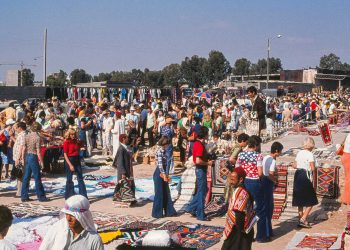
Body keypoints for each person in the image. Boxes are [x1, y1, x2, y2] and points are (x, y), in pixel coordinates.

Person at [39, 195, 104, 250]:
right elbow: (46, 245)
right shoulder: (59, 227)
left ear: (82, 216)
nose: (68, 219)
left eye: (72, 215)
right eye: (67, 214)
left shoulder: (94, 240)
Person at [235, 137, 266, 242]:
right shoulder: (258, 156)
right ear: (256, 145)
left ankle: (246, 234)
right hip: (254, 182)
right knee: (260, 209)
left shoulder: (241, 154)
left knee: (247, 209)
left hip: (244, 182)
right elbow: (260, 173)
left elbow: (237, 169)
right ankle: (260, 236)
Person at [222, 168, 254, 250]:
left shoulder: (241, 193)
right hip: (237, 225)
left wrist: (240, 231)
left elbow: (238, 212)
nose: (230, 181)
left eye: (233, 179)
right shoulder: (239, 190)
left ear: (240, 179)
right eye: (230, 179)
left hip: (237, 227)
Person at [185, 126, 211, 221]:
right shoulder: (199, 145)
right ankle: (200, 214)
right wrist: (208, 163)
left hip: (200, 170)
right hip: (200, 169)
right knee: (201, 193)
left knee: (203, 190)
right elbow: (198, 161)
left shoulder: (197, 143)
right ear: (204, 135)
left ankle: (191, 208)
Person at [292, 137, 318, 228]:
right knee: (311, 200)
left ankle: (301, 219)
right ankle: (303, 219)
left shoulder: (299, 153)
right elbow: (313, 168)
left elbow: (295, 165)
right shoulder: (310, 154)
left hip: (298, 174)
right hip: (305, 175)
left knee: (300, 199)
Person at [21, 122, 49, 202]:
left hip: (27, 156)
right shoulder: (37, 137)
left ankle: (24, 196)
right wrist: (42, 162)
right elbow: (38, 151)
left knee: (26, 177)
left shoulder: (27, 136)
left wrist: (22, 158)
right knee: (37, 177)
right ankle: (41, 196)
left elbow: (24, 148)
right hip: (33, 157)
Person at [262, 141, 283, 240]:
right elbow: (270, 174)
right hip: (268, 183)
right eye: (280, 152)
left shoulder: (265, 157)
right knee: (268, 208)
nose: (281, 153)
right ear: (276, 151)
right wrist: (275, 181)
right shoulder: (272, 161)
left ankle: (268, 231)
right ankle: (267, 232)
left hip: (263, 183)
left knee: (266, 207)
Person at [152, 136, 177, 218]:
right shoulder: (160, 152)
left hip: (164, 173)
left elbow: (169, 163)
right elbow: (160, 165)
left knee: (166, 192)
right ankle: (157, 213)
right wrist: (164, 174)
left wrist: (167, 174)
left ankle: (169, 211)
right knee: (159, 193)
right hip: (159, 173)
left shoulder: (167, 151)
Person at [63, 128, 88, 200]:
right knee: (69, 179)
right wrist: (70, 165)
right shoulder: (66, 142)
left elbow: (81, 146)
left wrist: (82, 147)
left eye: (74, 134)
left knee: (80, 178)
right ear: (69, 135)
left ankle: (84, 196)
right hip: (69, 160)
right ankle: (69, 196)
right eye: (71, 134)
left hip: (77, 159)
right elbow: (65, 155)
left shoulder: (76, 141)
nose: (73, 136)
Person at [224, 133, 249, 203]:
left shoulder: (236, 146)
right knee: (233, 187)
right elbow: (231, 159)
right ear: (243, 141)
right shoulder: (238, 148)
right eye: (246, 142)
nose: (247, 144)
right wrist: (239, 164)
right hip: (234, 170)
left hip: (232, 170)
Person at [112, 134, 136, 205]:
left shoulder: (124, 147)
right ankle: (124, 200)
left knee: (128, 184)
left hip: (127, 170)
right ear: (123, 139)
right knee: (123, 186)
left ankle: (130, 200)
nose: (128, 139)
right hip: (124, 171)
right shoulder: (121, 149)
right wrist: (123, 172)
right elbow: (120, 162)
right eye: (127, 138)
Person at [12, 122, 27, 197]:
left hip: (20, 158)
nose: (16, 129)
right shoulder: (21, 135)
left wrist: (19, 158)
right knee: (19, 175)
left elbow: (22, 147)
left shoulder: (23, 135)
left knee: (20, 174)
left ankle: (20, 192)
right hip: (18, 157)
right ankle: (19, 191)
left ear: (20, 128)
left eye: (17, 128)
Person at [341, 132, 350, 205]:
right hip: (348, 157)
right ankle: (347, 199)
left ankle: (346, 198)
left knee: (348, 178)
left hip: (346, 156)